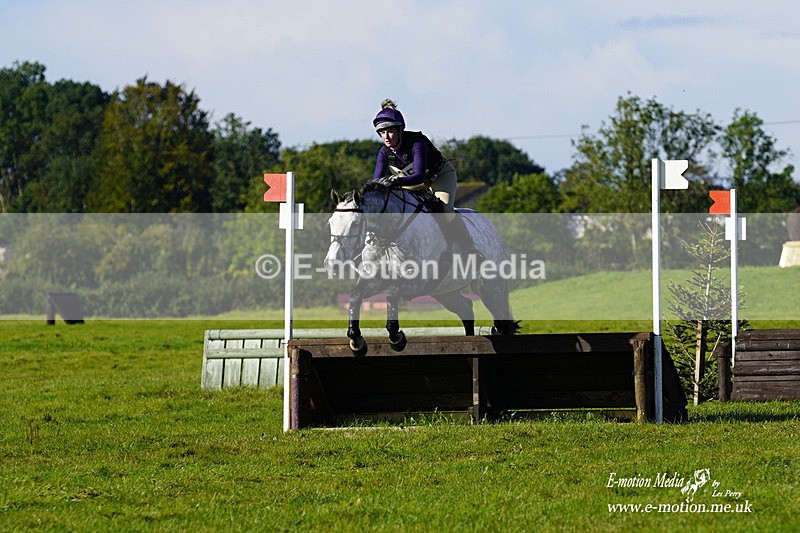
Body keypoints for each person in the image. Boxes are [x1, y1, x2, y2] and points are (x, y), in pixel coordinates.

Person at [371, 99, 483, 261]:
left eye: (390, 131)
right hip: (412, 184)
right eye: (382, 133)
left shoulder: (417, 143)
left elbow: (419, 176)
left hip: (440, 176)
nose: (386, 137)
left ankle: (471, 251)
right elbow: (377, 181)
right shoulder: (383, 152)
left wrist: (395, 182)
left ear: (400, 130)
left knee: (444, 211)